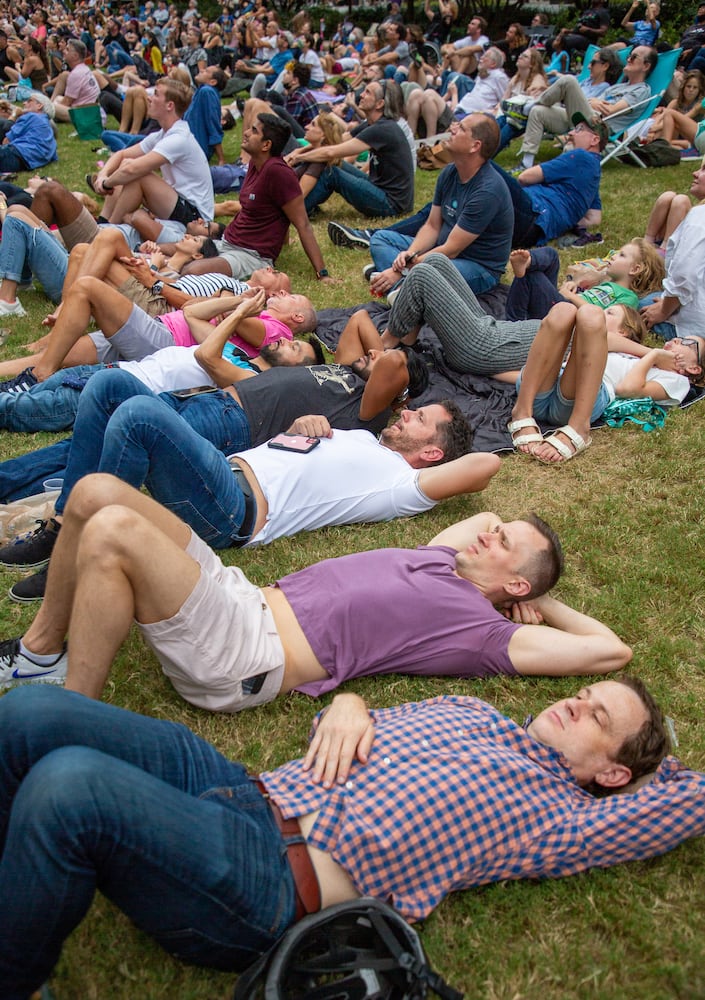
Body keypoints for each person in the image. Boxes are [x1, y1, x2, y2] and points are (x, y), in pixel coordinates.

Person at [0, 673, 691, 993]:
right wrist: (349, 701)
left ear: (609, 776)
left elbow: (685, 802)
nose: (575, 702)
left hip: (268, 877)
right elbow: (344, 728)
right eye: (584, 693)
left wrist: (657, 769)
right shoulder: (469, 708)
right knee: (30, 713)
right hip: (238, 783)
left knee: (70, 785)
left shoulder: (560, 817)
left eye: (598, 717)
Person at [508, 302, 702, 463]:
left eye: (687, 343)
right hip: (537, 391)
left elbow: (628, 388)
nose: (678, 339)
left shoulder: (678, 380)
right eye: (680, 337)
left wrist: (654, 356)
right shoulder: (638, 353)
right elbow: (606, 339)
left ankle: (578, 427)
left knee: (591, 314)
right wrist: (649, 353)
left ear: (694, 368)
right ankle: (521, 412)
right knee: (564, 310)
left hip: (577, 401)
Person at [364, 113, 513, 297]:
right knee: (380, 239)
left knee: (431, 273)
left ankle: (396, 284)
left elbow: (451, 249)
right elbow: (432, 226)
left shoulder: (487, 191)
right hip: (441, 251)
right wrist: (409, 255)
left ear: (475, 146)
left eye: (461, 128)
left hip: (476, 266)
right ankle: (402, 287)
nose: (452, 128)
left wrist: (401, 269)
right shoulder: (450, 172)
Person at [183, 113, 334, 283]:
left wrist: (323, 273)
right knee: (169, 249)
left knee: (191, 271)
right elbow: (270, 209)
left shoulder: (278, 172)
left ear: (266, 145)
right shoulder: (256, 163)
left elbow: (302, 224)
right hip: (227, 242)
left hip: (250, 255)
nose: (246, 132)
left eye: (254, 131)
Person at [380, 252, 541, 375]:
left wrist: (492, 373)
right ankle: (407, 338)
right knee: (436, 261)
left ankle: (383, 344)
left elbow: (541, 379)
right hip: (494, 328)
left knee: (420, 276)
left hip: (483, 347)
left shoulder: (566, 353)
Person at [89, 78, 214, 228]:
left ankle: (108, 229)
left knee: (138, 174)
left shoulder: (179, 138)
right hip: (177, 203)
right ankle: (103, 221)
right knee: (126, 164)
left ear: (169, 105)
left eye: (155, 94)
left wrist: (106, 183)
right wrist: (103, 174)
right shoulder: (163, 134)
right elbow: (122, 154)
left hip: (197, 219)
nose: (149, 98)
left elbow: (132, 169)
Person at [288, 79, 415, 219]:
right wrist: (299, 151)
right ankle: (295, 202)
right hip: (381, 188)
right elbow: (336, 140)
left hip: (392, 204)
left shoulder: (382, 129)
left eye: (368, 93)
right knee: (334, 163)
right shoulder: (373, 124)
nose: (361, 95)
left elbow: (332, 151)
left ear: (380, 104)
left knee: (332, 172)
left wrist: (297, 158)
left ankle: (296, 209)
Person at [517, 45, 658, 170]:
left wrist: (595, 103)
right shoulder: (618, 87)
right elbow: (593, 102)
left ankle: (528, 106)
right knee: (538, 112)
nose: (628, 59)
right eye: (629, 56)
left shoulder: (641, 90)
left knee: (568, 80)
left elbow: (611, 111)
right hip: (583, 118)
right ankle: (526, 162)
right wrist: (594, 102)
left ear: (646, 66)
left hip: (598, 126)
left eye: (633, 57)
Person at [505, 237, 665, 321]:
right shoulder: (606, 282)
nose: (613, 256)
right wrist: (573, 285)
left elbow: (603, 319)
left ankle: (514, 324)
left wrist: (571, 297)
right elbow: (584, 296)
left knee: (534, 276)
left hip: (566, 318)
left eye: (621, 255)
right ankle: (528, 261)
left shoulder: (629, 298)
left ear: (635, 269)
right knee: (552, 256)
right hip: (563, 303)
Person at [640, 163, 705, 338]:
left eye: (704, 170)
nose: (695, 173)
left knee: (638, 305)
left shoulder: (700, 217)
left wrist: (663, 310)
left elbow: (684, 275)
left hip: (694, 327)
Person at [50, 38, 101, 125]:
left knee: (49, 107)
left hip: (84, 115)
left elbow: (66, 102)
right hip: (89, 110)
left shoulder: (76, 74)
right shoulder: (83, 68)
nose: (63, 51)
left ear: (75, 56)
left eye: (67, 49)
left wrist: (53, 108)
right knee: (57, 99)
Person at [183, 64, 227, 163]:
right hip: (186, 141)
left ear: (213, 82)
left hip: (193, 147)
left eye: (206, 71)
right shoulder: (201, 91)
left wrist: (221, 159)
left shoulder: (207, 92)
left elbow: (213, 123)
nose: (202, 70)